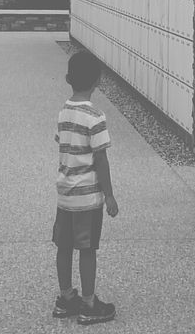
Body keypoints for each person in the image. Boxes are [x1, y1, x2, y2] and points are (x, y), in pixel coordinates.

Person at [52, 50, 119, 324]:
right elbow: (100, 159)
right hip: (87, 199)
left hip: (65, 196)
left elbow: (63, 144)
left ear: (69, 79)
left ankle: (66, 298)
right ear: (97, 81)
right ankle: (89, 304)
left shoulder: (64, 111)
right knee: (87, 249)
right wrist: (110, 195)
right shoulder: (95, 116)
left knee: (64, 247)